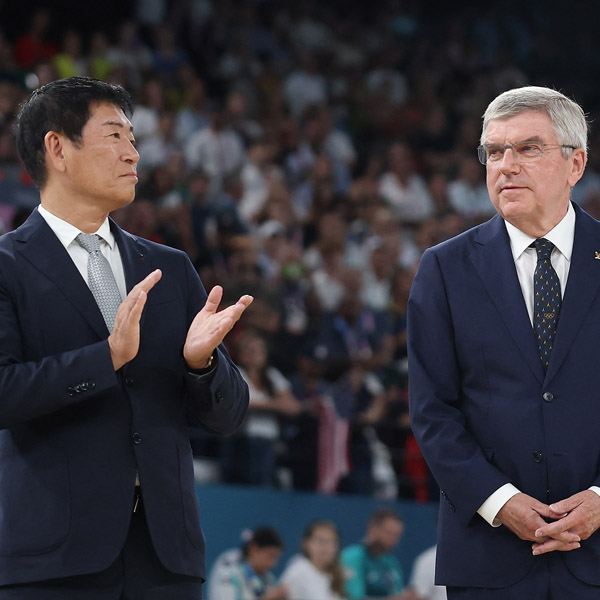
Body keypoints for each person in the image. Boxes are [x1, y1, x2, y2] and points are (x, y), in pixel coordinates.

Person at [0, 76, 253, 598]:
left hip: (165, 559)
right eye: (115, 135)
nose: (133, 153)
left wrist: (202, 366)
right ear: (57, 149)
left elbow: (229, 416)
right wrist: (106, 358)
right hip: (53, 559)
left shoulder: (170, 268)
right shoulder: (8, 266)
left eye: (133, 139)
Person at [407, 85, 600, 599]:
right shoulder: (444, 268)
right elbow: (432, 410)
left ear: (575, 163)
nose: (506, 166)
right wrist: (498, 501)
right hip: (488, 557)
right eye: (494, 152)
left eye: (528, 148)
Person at [341, 508, 408, 599]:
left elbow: (398, 593)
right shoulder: (351, 557)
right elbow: (353, 597)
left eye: (397, 535)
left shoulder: (392, 563)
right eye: (389, 533)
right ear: (372, 529)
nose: (394, 540)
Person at [207, 526, 288, 600]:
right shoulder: (228, 573)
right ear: (253, 548)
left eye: (276, 558)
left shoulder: (268, 579)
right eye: (270, 556)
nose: (273, 564)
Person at [280, 520, 346, 600]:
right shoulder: (298, 572)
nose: (327, 547)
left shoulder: (335, 574)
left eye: (332, 542)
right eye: (321, 541)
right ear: (306, 543)